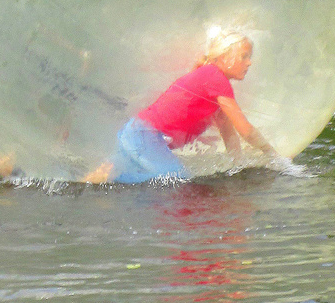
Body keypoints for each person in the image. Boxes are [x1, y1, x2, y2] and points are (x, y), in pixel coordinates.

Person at [84, 24, 278, 184]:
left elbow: (230, 135)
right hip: (145, 137)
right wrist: (275, 156)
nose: (250, 62)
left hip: (136, 133)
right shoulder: (215, 77)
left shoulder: (211, 81)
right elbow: (246, 131)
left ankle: (102, 183)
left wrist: (239, 170)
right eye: (244, 56)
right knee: (178, 181)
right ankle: (113, 178)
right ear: (225, 57)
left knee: (93, 185)